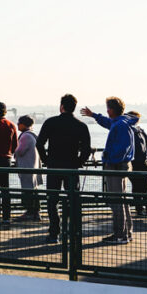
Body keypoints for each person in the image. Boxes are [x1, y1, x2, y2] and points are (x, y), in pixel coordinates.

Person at [81, 97, 138, 244]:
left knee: (116, 201)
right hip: (121, 165)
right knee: (122, 200)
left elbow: (122, 147)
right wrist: (94, 115)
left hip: (116, 166)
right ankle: (126, 232)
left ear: (111, 110)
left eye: (108, 108)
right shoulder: (121, 122)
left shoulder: (120, 125)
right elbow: (108, 122)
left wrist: (109, 157)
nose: (107, 111)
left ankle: (120, 234)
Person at [36, 94, 92, 242]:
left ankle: (54, 232)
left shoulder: (50, 122)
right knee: (72, 200)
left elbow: (39, 144)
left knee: (52, 200)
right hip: (72, 168)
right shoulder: (81, 125)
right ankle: (72, 232)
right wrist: (79, 162)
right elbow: (86, 149)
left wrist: (46, 160)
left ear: (61, 106)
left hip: (54, 167)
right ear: (74, 107)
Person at [14, 115, 43, 221]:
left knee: (27, 191)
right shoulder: (33, 135)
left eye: (19, 123)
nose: (17, 124)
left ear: (23, 124)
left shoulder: (25, 136)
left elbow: (20, 151)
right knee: (33, 190)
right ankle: (36, 213)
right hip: (33, 166)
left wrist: (14, 150)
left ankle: (30, 212)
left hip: (26, 167)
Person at [126, 111, 147, 216]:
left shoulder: (138, 130)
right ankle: (142, 208)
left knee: (142, 187)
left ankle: (143, 208)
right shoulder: (138, 131)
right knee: (140, 186)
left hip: (140, 162)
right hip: (136, 162)